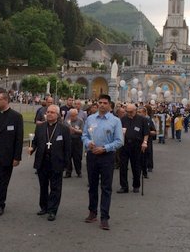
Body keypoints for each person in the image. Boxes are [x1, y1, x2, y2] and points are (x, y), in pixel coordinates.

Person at [82, 94, 123, 230]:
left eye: (105, 103)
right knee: (92, 185)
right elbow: (84, 135)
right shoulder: (90, 118)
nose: (102, 105)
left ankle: (104, 217)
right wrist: (88, 143)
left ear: (110, 105)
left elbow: (119, 141)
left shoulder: (115, 121)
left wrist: (105, 148)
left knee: (106, 187)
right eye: (100, 102)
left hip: (107, 156)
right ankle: (92, 212)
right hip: (92, 155)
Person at [0, 91, 24, 216]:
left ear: (6, 100)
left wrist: (17, 157)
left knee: (3, 180)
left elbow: (19, 139)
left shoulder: (16, 117)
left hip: (7, 155)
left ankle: (1, 204)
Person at [29, 105, 71, 221]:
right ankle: (44, 206)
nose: (49, 114)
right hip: (42, 161)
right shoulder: (40, 127)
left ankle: (52, 210)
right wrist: (31, 149)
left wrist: (67, 165)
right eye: (48, 112)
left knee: (55, 188)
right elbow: (35, 142)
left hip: (57, 162)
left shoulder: (64, 129)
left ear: (57, 115)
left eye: (52, 112)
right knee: (43, 186)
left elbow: (67, 148)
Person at [118, 103, 149, 194]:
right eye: (127, 112)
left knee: (136, 166)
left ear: (135, 110)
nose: (129, 113)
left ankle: (136, 185)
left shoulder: (142, 119)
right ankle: (124, 186)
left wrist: (145, 142)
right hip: (124, 145)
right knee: (123, 166)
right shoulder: (122, 119)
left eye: (131, 112)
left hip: (137, 145)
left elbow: (146, 133)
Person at [63, 108, 84, 178]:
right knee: (68, 156)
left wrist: (75, 131)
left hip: (77, 140)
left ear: (76, 115)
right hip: (69, 140)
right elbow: (63, 130)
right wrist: (68, 130)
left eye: (74, 116)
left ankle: (79, 172)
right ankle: (68, 172)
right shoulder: (66, 121)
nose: (72, 117)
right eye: (71, 115)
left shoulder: (80, 121)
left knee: (77, 157)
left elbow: (83, 131)